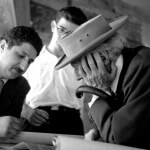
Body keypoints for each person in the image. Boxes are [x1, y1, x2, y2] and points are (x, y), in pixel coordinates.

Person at [55, 14, 150, 149]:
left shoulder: (144, 66)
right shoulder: (109, 78)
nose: (78, 76)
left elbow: (120, 137)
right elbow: (109, 131)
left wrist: (98, 92)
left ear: (103, 59)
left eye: (78, 67)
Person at [21, 6, 88, 135]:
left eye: (72, 34)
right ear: (53, 26)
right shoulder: (31, 56)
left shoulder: (83, 62)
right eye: (62, 30)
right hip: (33, 119)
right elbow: (11, 89)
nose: (65, 37)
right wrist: (25, 111)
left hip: (71, 123)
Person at [0, 26, 43, 139]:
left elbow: (8, 134)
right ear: (2, 46)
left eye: (30, 61)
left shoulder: (21, 86)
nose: (23, 67)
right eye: (21, 55)